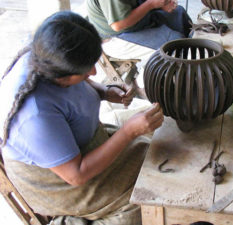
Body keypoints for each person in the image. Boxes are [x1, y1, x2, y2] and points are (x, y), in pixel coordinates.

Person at [0, 11, 164, 225]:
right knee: (146, 197)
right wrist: (128, 132)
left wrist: (104, 91)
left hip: (85, 143)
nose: (95, 73)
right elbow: (76, 175)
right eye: (86, 70)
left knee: (157, 153)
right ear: (63, 73)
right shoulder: (34, 115)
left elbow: (79, 83)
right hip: (63, 183)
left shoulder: (49, 53)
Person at [86, 0, 193, 89]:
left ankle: (189, 69)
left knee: (180, 14)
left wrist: (162, 4)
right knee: (176, 42)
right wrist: (152, 4)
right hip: (115, 38)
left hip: (137, 23)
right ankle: (147, 85)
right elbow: (119, 24)